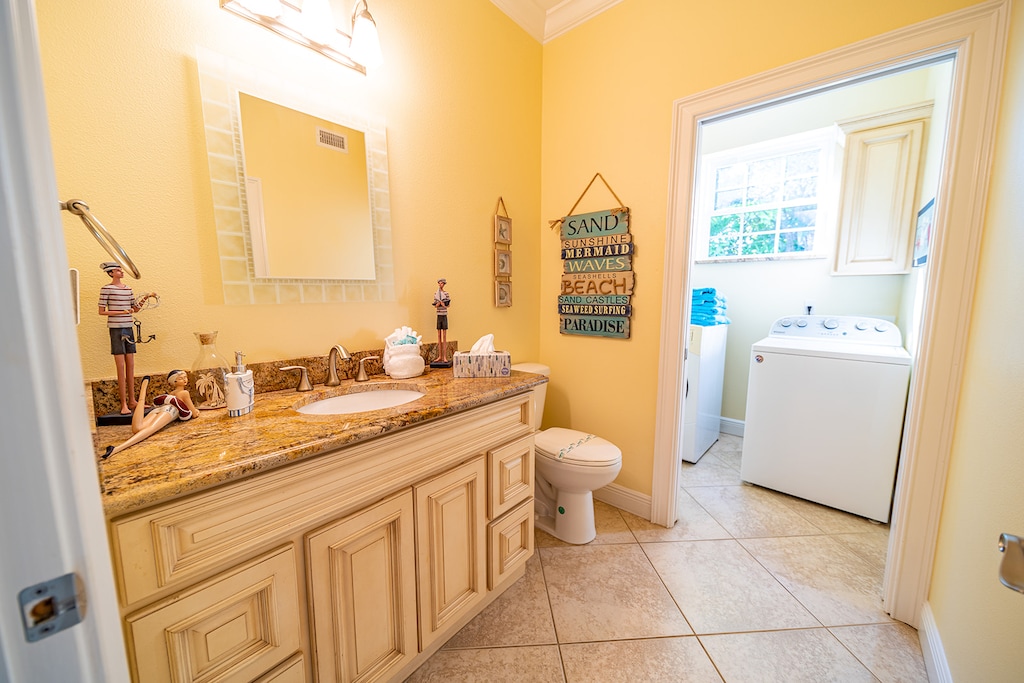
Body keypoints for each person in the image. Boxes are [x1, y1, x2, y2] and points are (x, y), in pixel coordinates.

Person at [98, 261, 155, 414]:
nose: (121, 272)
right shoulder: (106, 289)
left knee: (130, 364)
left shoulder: (128, 289)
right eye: (118, 270)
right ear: (111, 273)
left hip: (129, 327)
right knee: (120, 366)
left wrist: (146, 298)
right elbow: (102, 311)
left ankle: (132, 401)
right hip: (116, 329)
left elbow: (134, 309)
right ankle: (123, 403)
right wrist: (121, 312)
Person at [103, 370, 197, 459]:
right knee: (151, 429)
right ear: (174, 381)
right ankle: (117, 449)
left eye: (185, 377)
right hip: (169, 410)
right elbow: (194, 414)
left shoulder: (172, 393)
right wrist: (197, 411)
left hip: (158, 409)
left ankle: (143, 390)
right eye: (181, 378)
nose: (185, 380)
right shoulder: (185, 393)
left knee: (137, 428)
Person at [432, 277, 452, 364]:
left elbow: (448, 305)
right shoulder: (436, 294)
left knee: (444, 336)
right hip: (438, 315)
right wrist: (438, 304)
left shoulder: (446, 294)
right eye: (439, 283)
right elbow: (435, 305)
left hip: (444, 315)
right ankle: (440, 356)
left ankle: (444, 356)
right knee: (439, 335)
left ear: (444, 284)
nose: (440, 285)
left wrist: (443, 304)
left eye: (442, 283)